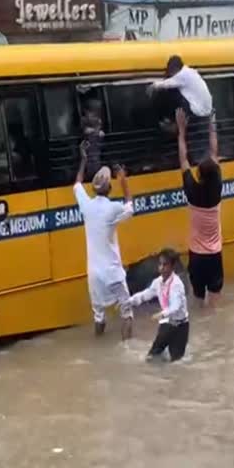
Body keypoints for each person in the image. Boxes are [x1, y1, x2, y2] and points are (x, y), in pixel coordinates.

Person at [73, 142, 135, 339]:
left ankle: (98, 343)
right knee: (127, 315)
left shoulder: (87, 205)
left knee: (99, 318)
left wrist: (83, 159)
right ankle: (127, 350)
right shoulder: (112, 208)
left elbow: (76, 184)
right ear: (109, 188)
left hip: (94, 275)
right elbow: (130, 207)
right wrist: (123, 180)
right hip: (113, 272)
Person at [175, 108, 223, 308]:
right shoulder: (216, 189)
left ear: (200, 175)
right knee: (214, 305)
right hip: (214, 256)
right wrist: (212, 124)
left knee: (197, 302)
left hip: (196, 257)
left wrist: (181, 131)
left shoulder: (192, 192)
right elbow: (214, 151)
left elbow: (183, 159)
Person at [125, 248, 189, 362]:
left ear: (172, 266)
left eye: (165, 265)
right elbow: (146, 294)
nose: (161, 268)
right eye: (160, 264)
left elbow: (176, 306)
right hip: (167, 323)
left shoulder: (177, 285)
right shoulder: (158, 282)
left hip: (180, 327)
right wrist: (129, 301)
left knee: (176, 362)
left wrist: (161, 314)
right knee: (151, 357)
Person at [148, 56, 213, 120]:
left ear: (174, 68)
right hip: (207, 111)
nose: (171, 75)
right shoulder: (190, 72)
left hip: (198, 111)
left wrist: (153, 86)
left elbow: (168, 83)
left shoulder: (183, 75)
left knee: (172, 92)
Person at [80, 99, 105, 177]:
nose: (94, 117)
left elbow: (100, 133)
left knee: (96, 161)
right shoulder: (83, 120)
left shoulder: (98, 121)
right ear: (86, 112)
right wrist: (95, 131)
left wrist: (100, 132)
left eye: (96, 115)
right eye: (91, 114)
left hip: (96, 149)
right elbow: (86, 131)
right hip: (87, 148)